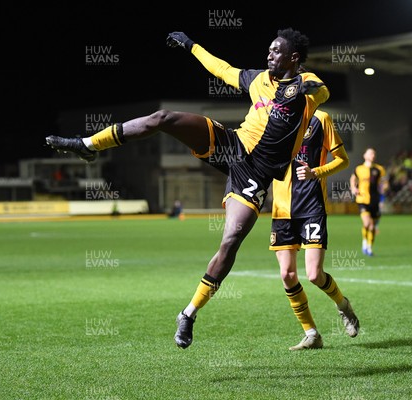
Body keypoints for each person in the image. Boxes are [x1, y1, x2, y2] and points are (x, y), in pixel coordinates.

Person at [46, 29, 330, 348]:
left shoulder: (303, 84)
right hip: (231, 144)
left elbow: (321, 93)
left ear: (293, 57)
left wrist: (309, 86)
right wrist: (192, 46)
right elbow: (221, 69)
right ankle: (88, 144)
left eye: (276, 52)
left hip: (257, 173)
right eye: (269, 50)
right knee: (164, 118)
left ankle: (189, 313)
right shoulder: (259, 79)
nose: (269, 55)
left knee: (231, 240)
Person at [270, 109, 359, 350]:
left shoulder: (322, 118)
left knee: (314, 275)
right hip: (281, 209)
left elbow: (343, 159)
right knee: (287, 275)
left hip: (311, 207)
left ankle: (342, 305)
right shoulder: (273, 116)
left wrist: (315, 173)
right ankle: (311, 334)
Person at [349, 147, 387, 256]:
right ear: (364, 156)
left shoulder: (379, 169)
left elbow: (384, 182)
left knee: (373, 226)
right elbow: (353, 179)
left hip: (375, 201)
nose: (372, 155)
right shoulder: (359, 169)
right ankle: (365, 243)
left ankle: (368, 247)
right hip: (362, 199)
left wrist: (384, 188)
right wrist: (353, 188)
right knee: (367, 223)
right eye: (370, 153)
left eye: (374, 154)